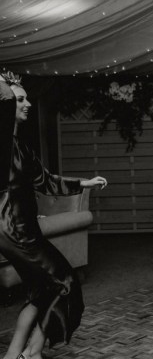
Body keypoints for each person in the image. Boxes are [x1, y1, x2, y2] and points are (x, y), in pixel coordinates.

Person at [0, 73, 107, 359]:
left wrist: (83, 183)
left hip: (22, 227)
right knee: (66, 282)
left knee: (40, 291)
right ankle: (31, 354)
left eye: (26, 98)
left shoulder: (20, 147)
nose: (28, 104)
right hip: (15, 229)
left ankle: (13, 355)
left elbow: (45, 181)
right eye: (20, 99)